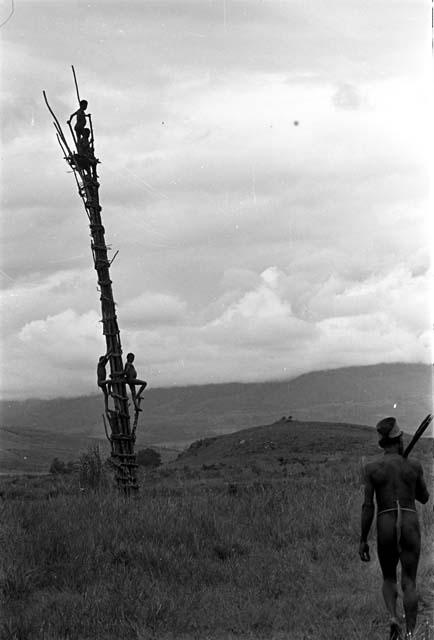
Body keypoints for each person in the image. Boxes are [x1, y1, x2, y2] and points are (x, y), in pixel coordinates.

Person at [359, 417, 430, 639]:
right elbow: (424, 497)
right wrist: (409, 476)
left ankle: (392, 617)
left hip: (385, 520)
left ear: (382, 443)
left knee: (389, 578)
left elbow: (368, 506)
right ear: (399, 439)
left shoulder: (372, 468)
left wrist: (363, 538)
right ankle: (410, 633)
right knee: (409, 581)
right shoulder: (413, 466)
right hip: (408, 520)